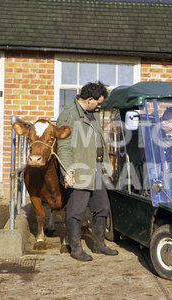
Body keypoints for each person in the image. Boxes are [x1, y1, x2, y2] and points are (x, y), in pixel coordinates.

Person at [57, 81, 118, 262]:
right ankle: (75, 248)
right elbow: (64, 147)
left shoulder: (92, 115)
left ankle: (99, 245)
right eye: (98, 103)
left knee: (103, 207)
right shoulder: (69, 116)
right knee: (76, 211)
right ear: (89, 99)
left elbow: (99, 143)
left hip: (96, 168)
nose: (100, 106)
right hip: (80, 170)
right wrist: (68, 171)